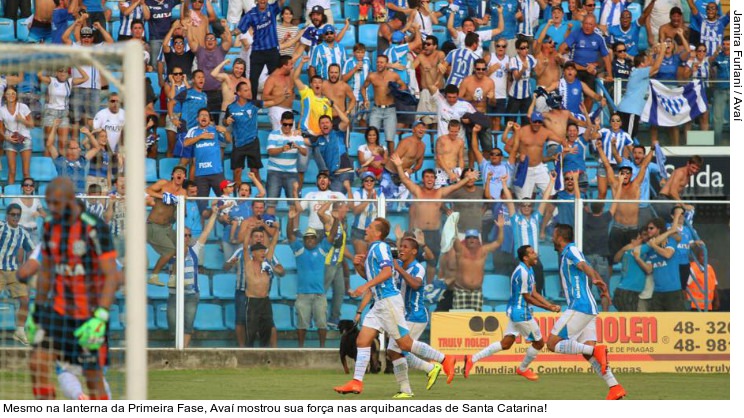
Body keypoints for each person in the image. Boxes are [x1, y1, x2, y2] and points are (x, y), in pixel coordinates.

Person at [333, 218, 456, 396]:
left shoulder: (381, 247)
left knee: (404, 344)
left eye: (370, 227)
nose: (366, 229)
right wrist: (359, 266)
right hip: (380, 303)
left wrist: (365, 287)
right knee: (362, 341)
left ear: (378, 233)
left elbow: (386, 272)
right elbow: (373, 278)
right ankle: (356, 382)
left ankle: (444, 359)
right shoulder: (372, 250)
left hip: (389, 302)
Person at [26, 177, 119, 400]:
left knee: (92, 375)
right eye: (49, 203)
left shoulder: (95, 229)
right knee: (38, 363)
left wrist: (101, 315)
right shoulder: (50, 226)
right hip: (59, 312)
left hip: (89, 314)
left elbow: (113, 276)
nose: (52, 208)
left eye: (56, 203)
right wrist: (37, 310)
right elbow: (47, 270)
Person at [546, 224, 624, 400]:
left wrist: (595, 279)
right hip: (589, 308)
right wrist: (601, 285)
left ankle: (598, 351)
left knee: (552, 344)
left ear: (559, 236)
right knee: (588, 353)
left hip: (579, 306)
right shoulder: (572, 252)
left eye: (553, 234)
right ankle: (615, 387)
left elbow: (583, 266)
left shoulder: (570, 250)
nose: (551, 238)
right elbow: (588, 267)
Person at [464, 244, 561, 379]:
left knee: (506, 343)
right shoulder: (523, 272)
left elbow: (534, 292)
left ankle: (472, 359)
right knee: (539, 343)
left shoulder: (529, 269)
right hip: (521, 313)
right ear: (526, 258)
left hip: (516, 311)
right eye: (532, 253)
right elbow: (528, 297)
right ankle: (522, 369)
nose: (536, 254)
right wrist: (548, 308)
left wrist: (550, 305)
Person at [391, 154, 476, 286]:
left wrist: (467, 179)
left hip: (434, 233)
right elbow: (404, 179)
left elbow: (456, 186)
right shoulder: (418, 191)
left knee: (432, 262)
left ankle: (428, 288)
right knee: (412, 259)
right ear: (423, 179)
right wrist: (399, 166)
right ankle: (408, 284)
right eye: (427, 177)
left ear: (435, 180)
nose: (430, 179)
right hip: (418, 233)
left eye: (432, 177)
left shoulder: (439, 192)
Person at [165, 204, 219, 348]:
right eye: (184, 235)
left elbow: (206, 232)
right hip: (174, 293)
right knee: (172, 323)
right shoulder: (170, 251)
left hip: (191, 293)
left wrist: (214, 215)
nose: (188, 237)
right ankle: (177, 347)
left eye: (189, 235)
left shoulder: (194, 250)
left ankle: (183, 350)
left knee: (188, 323)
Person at [224, 226, 285, 348]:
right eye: (261, 251)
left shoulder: (267, 261)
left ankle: (267, 353)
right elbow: (245, 247)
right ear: (254, 253)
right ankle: (247, 352)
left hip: (265, 300)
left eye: (264, 251)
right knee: (250, 330)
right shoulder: (248, 262)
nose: (263, 253)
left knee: (267, 328)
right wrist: (248, 231)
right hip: (251, 300)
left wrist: (277, 229)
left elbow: (273, 245)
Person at [595, 138, 655, 260]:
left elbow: (644, 165)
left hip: (633, 229)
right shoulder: (615, 184)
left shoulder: (635, 185)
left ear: (631, 175)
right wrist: (600, 148)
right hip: (617, 228)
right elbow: (607, 165)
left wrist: (652, 150)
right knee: (611, 260)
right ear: (619, 174)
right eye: (623, 173)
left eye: (628, 173)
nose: (626, 175)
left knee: (633, 259)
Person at [225, 81, 287, 189]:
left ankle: (261, 195)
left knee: (254, 171)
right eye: (245, 90)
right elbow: (224, 122)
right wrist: (227, 121)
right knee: (237, 171)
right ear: (238, 93)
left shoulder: (253, 104)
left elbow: (271, 103)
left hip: (252, 142)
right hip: (238, 143)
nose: (249, 92)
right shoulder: (230, 107)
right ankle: (238, 198)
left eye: (249, 89)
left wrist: (284, 96)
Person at [502, 172, 555, 294]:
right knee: (519, 289)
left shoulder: (536, 218)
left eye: (529, 205)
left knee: (538, 287)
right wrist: (504, 184)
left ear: (532, 207)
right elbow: (509, 201)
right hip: (520, 259)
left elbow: (545, 200)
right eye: (524, 205)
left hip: (535, 259)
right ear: (520, 207)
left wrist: (551, 182)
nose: (526, 207)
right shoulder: (516, 219)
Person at [287, 205, 330, 347]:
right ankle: (301, 348)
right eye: (307, 238)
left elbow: (332, 235)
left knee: (322, 322)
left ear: (316, 239)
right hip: (303, 294)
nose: (310, 240)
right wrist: (290, 220)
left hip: (319, 294)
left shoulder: (322, 249)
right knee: (302, 323)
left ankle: (322, 348)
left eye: (312, 238)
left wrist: (335, 221)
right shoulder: (299, 250)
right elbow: (290, 236)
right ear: (304, 240)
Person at [449, 215, 505, 311]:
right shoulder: (461, 250)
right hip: (461, 290)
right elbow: (454, 237)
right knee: (459, 320)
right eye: (469, 237)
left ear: (478, 241)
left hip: (477, 292)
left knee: (475, 322)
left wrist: (500, 228)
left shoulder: (483, 250)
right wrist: (453, 225)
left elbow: (499, 242)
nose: (471, 240)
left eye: (474, 238)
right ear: (465, 240)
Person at [183, 108, 233, 215]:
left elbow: (229, 140)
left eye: (206, 115)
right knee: (202, 209)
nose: (204, 117)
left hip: (217, 173)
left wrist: (225, 131)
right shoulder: (193, 131)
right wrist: (201, 136)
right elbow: (186, 143)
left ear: (209, 119)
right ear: (197, 119)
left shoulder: (215, 129)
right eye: (201, 115)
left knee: (226, 204)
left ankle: (227, 227)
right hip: (201, 175)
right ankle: (201, 229)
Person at [558, 14, 613, 110]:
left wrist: (610, 74)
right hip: (575, 69)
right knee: (571, 93)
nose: (587, 26)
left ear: (595, 25)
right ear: (582, 24)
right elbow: (562, 47)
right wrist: (559, 54)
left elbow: (606, 56)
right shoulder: (576, 34)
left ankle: (585, 118)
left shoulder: (599, 38)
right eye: (586, 23)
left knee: (590, 96)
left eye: (590, 24)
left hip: (590, 71)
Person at [145, 165, 188, 286]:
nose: (179, 174)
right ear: (172, 175)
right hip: (153, 225)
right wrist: (164, 196)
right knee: (169, 251)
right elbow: (147, 190)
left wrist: (181, 203)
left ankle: (174, 278)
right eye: (177, 172)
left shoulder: (183, 192)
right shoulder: (163, 184)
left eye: (182, 173)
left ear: (184, 177)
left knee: (183, 247)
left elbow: (181, 215)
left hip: (167, 227)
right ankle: (153, 276)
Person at [235, 0, 288, 97]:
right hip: (257, 50)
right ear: (257, 1)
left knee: (276, 77)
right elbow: (239, 29)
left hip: (272, 50)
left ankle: (277, 100)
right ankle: (253, 103)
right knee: (253, 79)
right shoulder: (251, 14)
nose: (263, 1)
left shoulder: (272, 8)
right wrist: (228, 33)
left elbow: (282, 1)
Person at [0, 204, 35, 345]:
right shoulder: (1, 227)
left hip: (14, 271)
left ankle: (20, 331)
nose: (15, 217)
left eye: (18, 215)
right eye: (13, 214)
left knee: (25, 300)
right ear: (7, 215)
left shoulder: (23, 233)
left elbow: (32, 250)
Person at [638, 217, 686, 312]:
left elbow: (668, 254)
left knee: (675, 321)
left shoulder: (670, 241)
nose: (648, 230)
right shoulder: (649, 250)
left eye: (651, 228)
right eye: (648, 228)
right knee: (659, 324)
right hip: (657, 292)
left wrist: (654, 246)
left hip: (672, 290)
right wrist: (638, 258)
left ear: (659, 229)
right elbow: (649, 269)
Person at [38, 66, 89, 154]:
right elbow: (39, 75)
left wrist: (77, 66)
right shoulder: (51, 80)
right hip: (51, 112)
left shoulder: (70, 81)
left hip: (64, 114)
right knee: (49, 144)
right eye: (60, 71)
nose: (62, 73)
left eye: (65, 72)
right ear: (57, 72)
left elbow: (86, 78)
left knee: (63, 143)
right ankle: (47, 166)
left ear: (68, 74)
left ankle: (61, 166)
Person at [616, 46, 664, 139]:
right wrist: (663, 51)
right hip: (630, 112)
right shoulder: (639, 72)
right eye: (647, 61)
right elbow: (656, 66)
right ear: (642, 64)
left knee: (624, 139)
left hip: (627, 110)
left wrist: (654, 53)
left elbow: (655, 68)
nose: (649, 62)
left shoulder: (638, 72)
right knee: (628, 140)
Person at [362, 55, 406, 154]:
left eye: (381, 62)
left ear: (386, 64)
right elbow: (363, 87)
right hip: (376, 109)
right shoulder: (371, 76)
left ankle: (391, 161)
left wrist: (397, 91)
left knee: (390, 138)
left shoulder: (393, 75)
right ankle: (376, 160)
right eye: (377, 62)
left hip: (390, 109)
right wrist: (365, 100)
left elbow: (403, 85)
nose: (379, 64)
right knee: (372, 136)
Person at [512, 112, 561, 199]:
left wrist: (567, 149)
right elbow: (507, 147)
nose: (537, 124)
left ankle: (548, 212)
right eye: (535, 122)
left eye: (539, 122)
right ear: (530, 121)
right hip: (525, 168)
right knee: (524, 200)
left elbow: (562, 141)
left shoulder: (545, 132)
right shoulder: (521, 131)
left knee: (551, 194)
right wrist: (518, 155)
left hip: (539, 167)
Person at [265, 111, 306, 214]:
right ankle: (270, 228)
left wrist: (298, 147)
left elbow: (305, 152)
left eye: (290, 125)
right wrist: (282, 149)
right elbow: (270, 152)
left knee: (294, 204)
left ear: (293, 124)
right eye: (285, 124)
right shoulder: (273, 134)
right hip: (274, 171)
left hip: (291, 172)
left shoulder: (297, 137)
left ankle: (293, 229)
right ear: (280, 122)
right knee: (271, 203)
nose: (288, 127)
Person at [47, 119, 100, 195]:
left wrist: (88, 134)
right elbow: (49, 144)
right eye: (76, 148)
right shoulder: (59, 159)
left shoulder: (82, 160)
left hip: (80, 195)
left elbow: (96, 148)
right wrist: (54, 127)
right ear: (69, 150)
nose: (79, 149)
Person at [0, 86, 34, 185]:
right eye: (8, 94)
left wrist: (22, 120)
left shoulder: (23, 107)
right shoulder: (1, 110)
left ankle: (28, 195)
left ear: (16, 95)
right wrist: (5, 137)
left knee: (26, 172)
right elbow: (0, 128)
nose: (11, 96)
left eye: (13, 93)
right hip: (9, 139)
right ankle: (9, 197)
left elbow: (32, 125)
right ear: (5, 96)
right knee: (12, 171)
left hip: (25, 139)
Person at [655, 155, 703, 223]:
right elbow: (672, 192)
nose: (694, 170)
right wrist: (684, 205)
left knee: (690, 211)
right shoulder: (680, 172)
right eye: (693, 167)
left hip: (669, 200)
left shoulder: (687, 175)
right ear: (688, 164)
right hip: (663, 200)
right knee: (679, 217)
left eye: (697, 169)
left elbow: (673, 188)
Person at [612, 233, 647, 312]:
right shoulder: (633, 251)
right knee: (630, 320)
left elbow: (616, 259)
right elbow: (616, 259)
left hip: (626, 290)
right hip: (627, 291)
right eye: (640, 238)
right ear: (632, 241)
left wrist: (623, 249)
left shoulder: (631, 252)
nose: (643, 240)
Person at [262, 55, 295, 132]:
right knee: (280, 136)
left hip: (289, 110)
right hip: (277, 109)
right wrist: (282, 96)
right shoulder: (272, 78)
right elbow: (264, 96)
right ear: (284, 66)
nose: (292, 67)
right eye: (291, 64)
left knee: (291, 136)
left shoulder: (288, 76)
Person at [687, 243, 719, 311]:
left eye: (706, 256)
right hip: (694, 306)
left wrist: (716, 300)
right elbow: (685, 287)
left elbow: (715, 286)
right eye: (702, 256)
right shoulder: (693, 268)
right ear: (697, 257)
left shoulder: (710, 268)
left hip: (708, 306)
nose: (704, 258)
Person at [434, 120, 465, 189]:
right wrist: (449, 173)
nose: (453, 133)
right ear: (448, 129)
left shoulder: (460, 142)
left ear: (459, 130)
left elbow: (461, 158)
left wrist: (460, 172)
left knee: (454, 195)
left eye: (456, 132)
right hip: (441, 171)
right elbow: (439, 158)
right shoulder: (441, 140)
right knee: (440, 195)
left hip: (454, 171)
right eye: (452, 131)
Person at [711, 37, 729, 145]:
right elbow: (710, 62)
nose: (726, 46)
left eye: (728, 44)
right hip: (720, 89)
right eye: (725, 44)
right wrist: (716, 52)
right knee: (718, 119)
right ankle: (716, 144)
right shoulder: (719, 56)